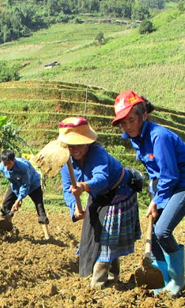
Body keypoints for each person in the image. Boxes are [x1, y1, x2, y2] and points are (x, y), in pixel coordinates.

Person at [112, 90, 185, 296]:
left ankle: (178, 280)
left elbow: (170, 175)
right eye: (122, 123)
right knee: (153, 235)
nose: (127, 127)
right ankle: (163, 279)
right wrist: (155, 195)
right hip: (162, 184)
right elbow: (155, 172)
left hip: (184, 183)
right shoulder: (135, 137)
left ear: (144, 115)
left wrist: (158, 201)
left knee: (162, 230)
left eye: (131, 120)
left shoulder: (159, 137)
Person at [58, 116, 141, 288]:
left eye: (79, 144)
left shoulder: (97, 153)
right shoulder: (66, 162)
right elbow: (67, 189)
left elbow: (101, 179)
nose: (75, 150)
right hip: (97, 195)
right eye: (71, 146)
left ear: (87, 142)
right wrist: (74, 207)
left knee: (107, 237)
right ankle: (113, 275)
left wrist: (84, 186)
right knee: (94, 236)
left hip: (119, 191)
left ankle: (98, 283)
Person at [0, 150, 50, 238]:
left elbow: (26, 185)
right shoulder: (2, 167)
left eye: (9, 163)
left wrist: (19, 199)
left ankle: (47, 236)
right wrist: (17, 197)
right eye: (5, 164)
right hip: (16, 184)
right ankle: (10, 231)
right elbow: (12, 180)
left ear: (13, 160)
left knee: (39, 207)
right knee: (6, 205)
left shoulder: (23, 167)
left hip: (33, 185)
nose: (6, 167)